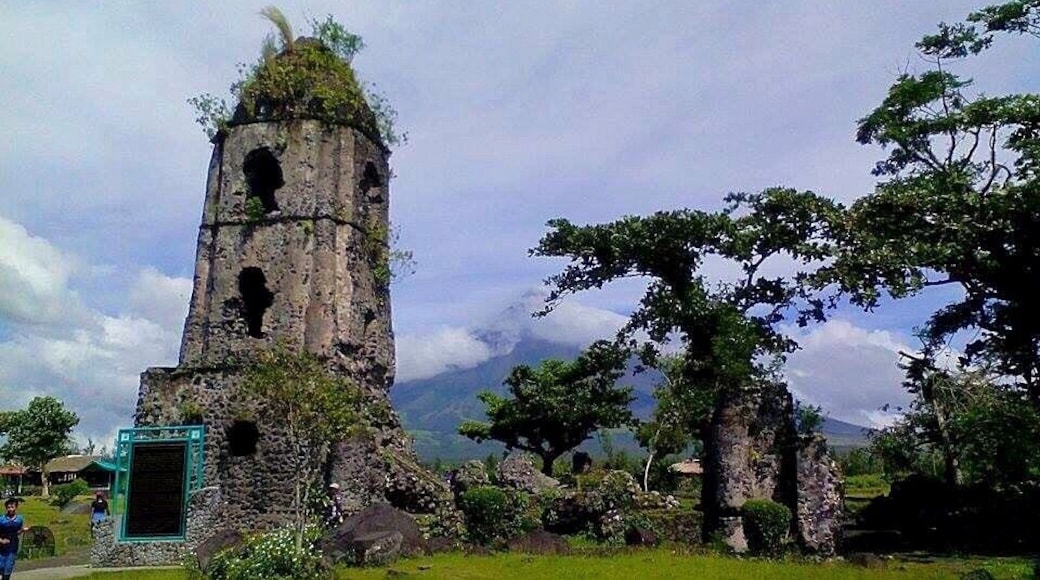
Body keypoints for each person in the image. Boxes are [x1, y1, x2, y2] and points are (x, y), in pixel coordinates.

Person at [0, 498, 28, 580]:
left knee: (8, 567)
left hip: (13, 546)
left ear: (16, 507)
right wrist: (1, 541)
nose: (10, 509)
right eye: (8, 507)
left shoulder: (19, 519)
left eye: (12, 507)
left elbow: (17, 532)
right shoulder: (1, 519)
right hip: (1, 547)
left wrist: (22, 530)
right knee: (1, 566)